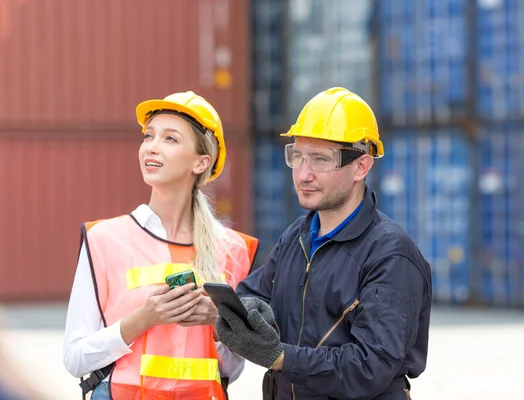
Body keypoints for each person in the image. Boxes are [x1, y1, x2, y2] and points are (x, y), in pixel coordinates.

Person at [216, 87, 432, 400]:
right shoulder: (297, 238)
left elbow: (371, 366)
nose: (303, 174)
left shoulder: (390, 254)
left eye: (319, 159)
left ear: (361, 166)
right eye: (297, 156)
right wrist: (237, 310)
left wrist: (280, 358)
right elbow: (253, 293)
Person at [63, 91, 258, 400]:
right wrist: (143, 318)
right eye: (148, 136)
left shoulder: (232, 250)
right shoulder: (104, 238)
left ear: (201, 162)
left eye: (170, 139)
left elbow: (231, 371)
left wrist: (217, 325)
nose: (151, 147)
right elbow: (75, 359)